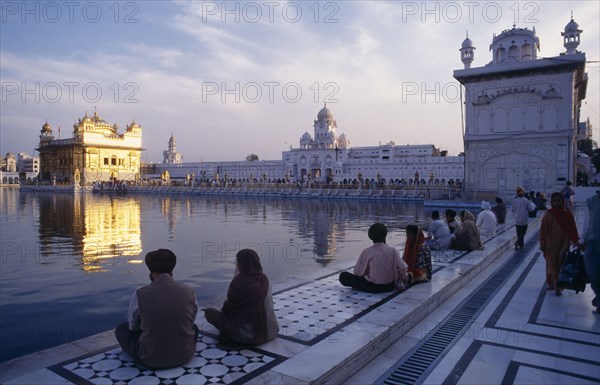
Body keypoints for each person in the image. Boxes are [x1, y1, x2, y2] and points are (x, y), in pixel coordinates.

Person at [115, 249, 199, 369]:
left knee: (121, 329)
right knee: (194, 328)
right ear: (172, 269)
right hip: (185, 355)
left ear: (150, 271)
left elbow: (133, 328)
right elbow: (190, 322)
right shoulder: (189, 291)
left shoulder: (139, 295)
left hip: (150, 359)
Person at [205, 249, 279, 345]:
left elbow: (228, 312)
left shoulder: (240, 283)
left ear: (242, 264)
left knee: (209, 313)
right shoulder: (265, 279)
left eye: (237, 262)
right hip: (272, 331)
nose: (236, 265)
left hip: (250, 337)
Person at [339, 223, 408, 293]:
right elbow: (402, 268)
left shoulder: (367, 252)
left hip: (373, 287)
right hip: (390, 286)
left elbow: (357, 272)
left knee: (343, 276)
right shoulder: (393, 250)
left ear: (371, 236)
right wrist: (404, 280)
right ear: (385, 236)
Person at [539, 192, 580, 296]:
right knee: (551, 263)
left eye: (559, 201)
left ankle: (559, 285)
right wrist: (543, 243)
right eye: (555, 201)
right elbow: (543, 231)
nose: (557, 203)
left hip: (564, 243)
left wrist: (576, 241)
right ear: (552, 202)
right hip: (551, 244)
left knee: (561, 264)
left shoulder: (567, 215)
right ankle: (552, 283)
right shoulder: (548, 215)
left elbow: (572, 229)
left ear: (562, 202)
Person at [580, 191, 600, 312]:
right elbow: (587, 223)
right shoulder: (592, 201)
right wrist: (582, 240)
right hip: (593, 243)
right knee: (593, 273)